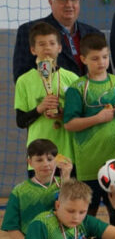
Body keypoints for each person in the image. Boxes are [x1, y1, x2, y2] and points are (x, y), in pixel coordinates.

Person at [63, 33, 115, 215]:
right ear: (83, 59)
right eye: (95, 58)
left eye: (105, 57)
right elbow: (69, 124)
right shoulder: (77, 88)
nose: (101, 62)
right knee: (86, 215)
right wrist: (98, 118)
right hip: (89, 162)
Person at [2, 139, 71, 239]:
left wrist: (67, 177)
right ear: (30, 162)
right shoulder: (19, 191)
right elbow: (11, 227)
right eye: (39, 160)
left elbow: (70, 210)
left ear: (57, 160)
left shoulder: (64, 185)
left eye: (50, 159)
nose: (46, 163)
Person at [13, 0, 101, 80]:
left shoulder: (95, 34)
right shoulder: (28, 31)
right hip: (50, 90)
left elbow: (106, 75)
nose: (69, 4)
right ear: (51, 2)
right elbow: (22, 77)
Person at [15, 22, 79, 157]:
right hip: (38, 154)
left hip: (67, 151)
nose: (47, 48)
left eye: (52, 43)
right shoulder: (24, 81)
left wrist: (62, 113)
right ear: (33, 50)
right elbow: (20, 121)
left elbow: (81, 115)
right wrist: (40, 108)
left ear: (59, 48)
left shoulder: (72, 78)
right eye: (42, 44)